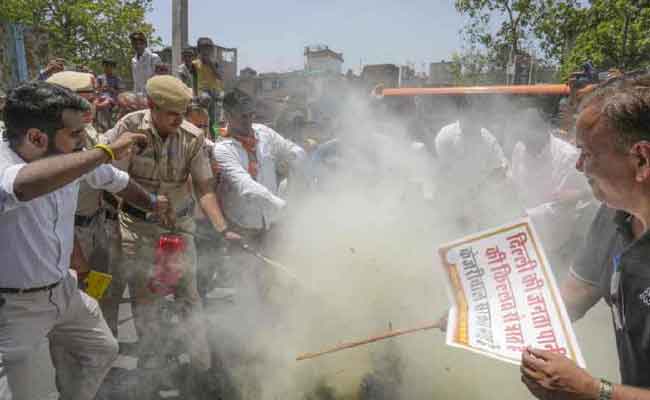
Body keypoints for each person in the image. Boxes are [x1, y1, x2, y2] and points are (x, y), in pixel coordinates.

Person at [0, 80, 167, 400]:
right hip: (15, 307)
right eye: (75, 135)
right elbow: (22, 186)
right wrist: (104, 152)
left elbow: (117, 181)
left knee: (103, 349)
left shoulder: (74, 161)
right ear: (36, 137)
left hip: (64, 290)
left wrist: (153, 204)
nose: (83, 143)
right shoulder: (6, 163)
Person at [104, 75, 240, 398]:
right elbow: (110, 179)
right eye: (171, 114)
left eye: (182, 113)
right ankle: (151, 370)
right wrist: (146, 205)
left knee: (189, 297)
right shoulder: (128, 128)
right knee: (145, 299)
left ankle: (202, 370)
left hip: (180, 228)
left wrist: (223, 227)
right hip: (138, 229)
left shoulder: (192, 138)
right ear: (152, 107)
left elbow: (205, 189)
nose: (178, 121)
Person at [520, 79, 650, 399]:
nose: (579, 167)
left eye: (588, 153)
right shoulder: (612, 217)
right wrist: (482, 317)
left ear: (641, 160)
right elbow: (572, 297)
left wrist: (593, 391)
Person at [46, 71, 127, 335]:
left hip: (97, 222)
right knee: (73, 299)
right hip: (72, 232)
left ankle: (106, 341)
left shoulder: (88, 132)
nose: (92, 104)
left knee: (103, 287)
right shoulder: (52, 146)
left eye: (93, 98)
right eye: (85, 98)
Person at [510, 108, 594, 274]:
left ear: (544, 129)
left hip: (556, 238)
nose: (527, 144)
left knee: (554, 281)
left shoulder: (567, 156)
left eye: (530, 137)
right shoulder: (520, 148)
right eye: (523, 138)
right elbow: (515, 182)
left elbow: (561, 205)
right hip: (525, 234)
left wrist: (524, 215)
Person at [193, 37, 224, 130]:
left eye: (208, 49)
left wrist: (211, 65)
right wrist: (195, 95)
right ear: (199, 50)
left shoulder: (214, 63)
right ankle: (203, 131)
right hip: (203, 91)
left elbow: (219, 77)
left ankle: (214, 136)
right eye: (203, 49)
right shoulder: (195, 64)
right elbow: (194, 80)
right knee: (205, 103)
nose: (206, 51)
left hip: (214, 91)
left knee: (214, 118)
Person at [96, 59, 123, 132]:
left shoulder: (117, 79)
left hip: (114, 100)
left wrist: (111, 89)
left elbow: (120, 92)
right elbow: (97, 91)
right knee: (104, 105)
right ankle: (104, 129)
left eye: (110, 67)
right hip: (102, 100)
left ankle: (112, 129)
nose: (108, 68)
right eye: (106, 66)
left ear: (113, 68)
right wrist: (101, 89)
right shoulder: (100, 78)